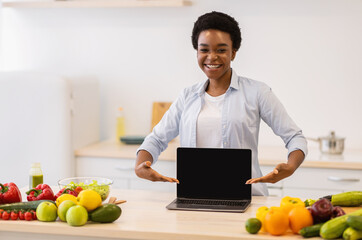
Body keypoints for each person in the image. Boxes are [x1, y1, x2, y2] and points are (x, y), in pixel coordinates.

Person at [134, 11, 307, 196]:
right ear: (197, 52)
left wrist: (290, 166)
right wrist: (140, 165)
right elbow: (156, 139)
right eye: (204, 49)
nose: (212, 57)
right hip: (194, 197)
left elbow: (294, 137)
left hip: (248, 198)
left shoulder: (257, 92)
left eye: (221, 50)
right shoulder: (187, 96)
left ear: (233, 53)